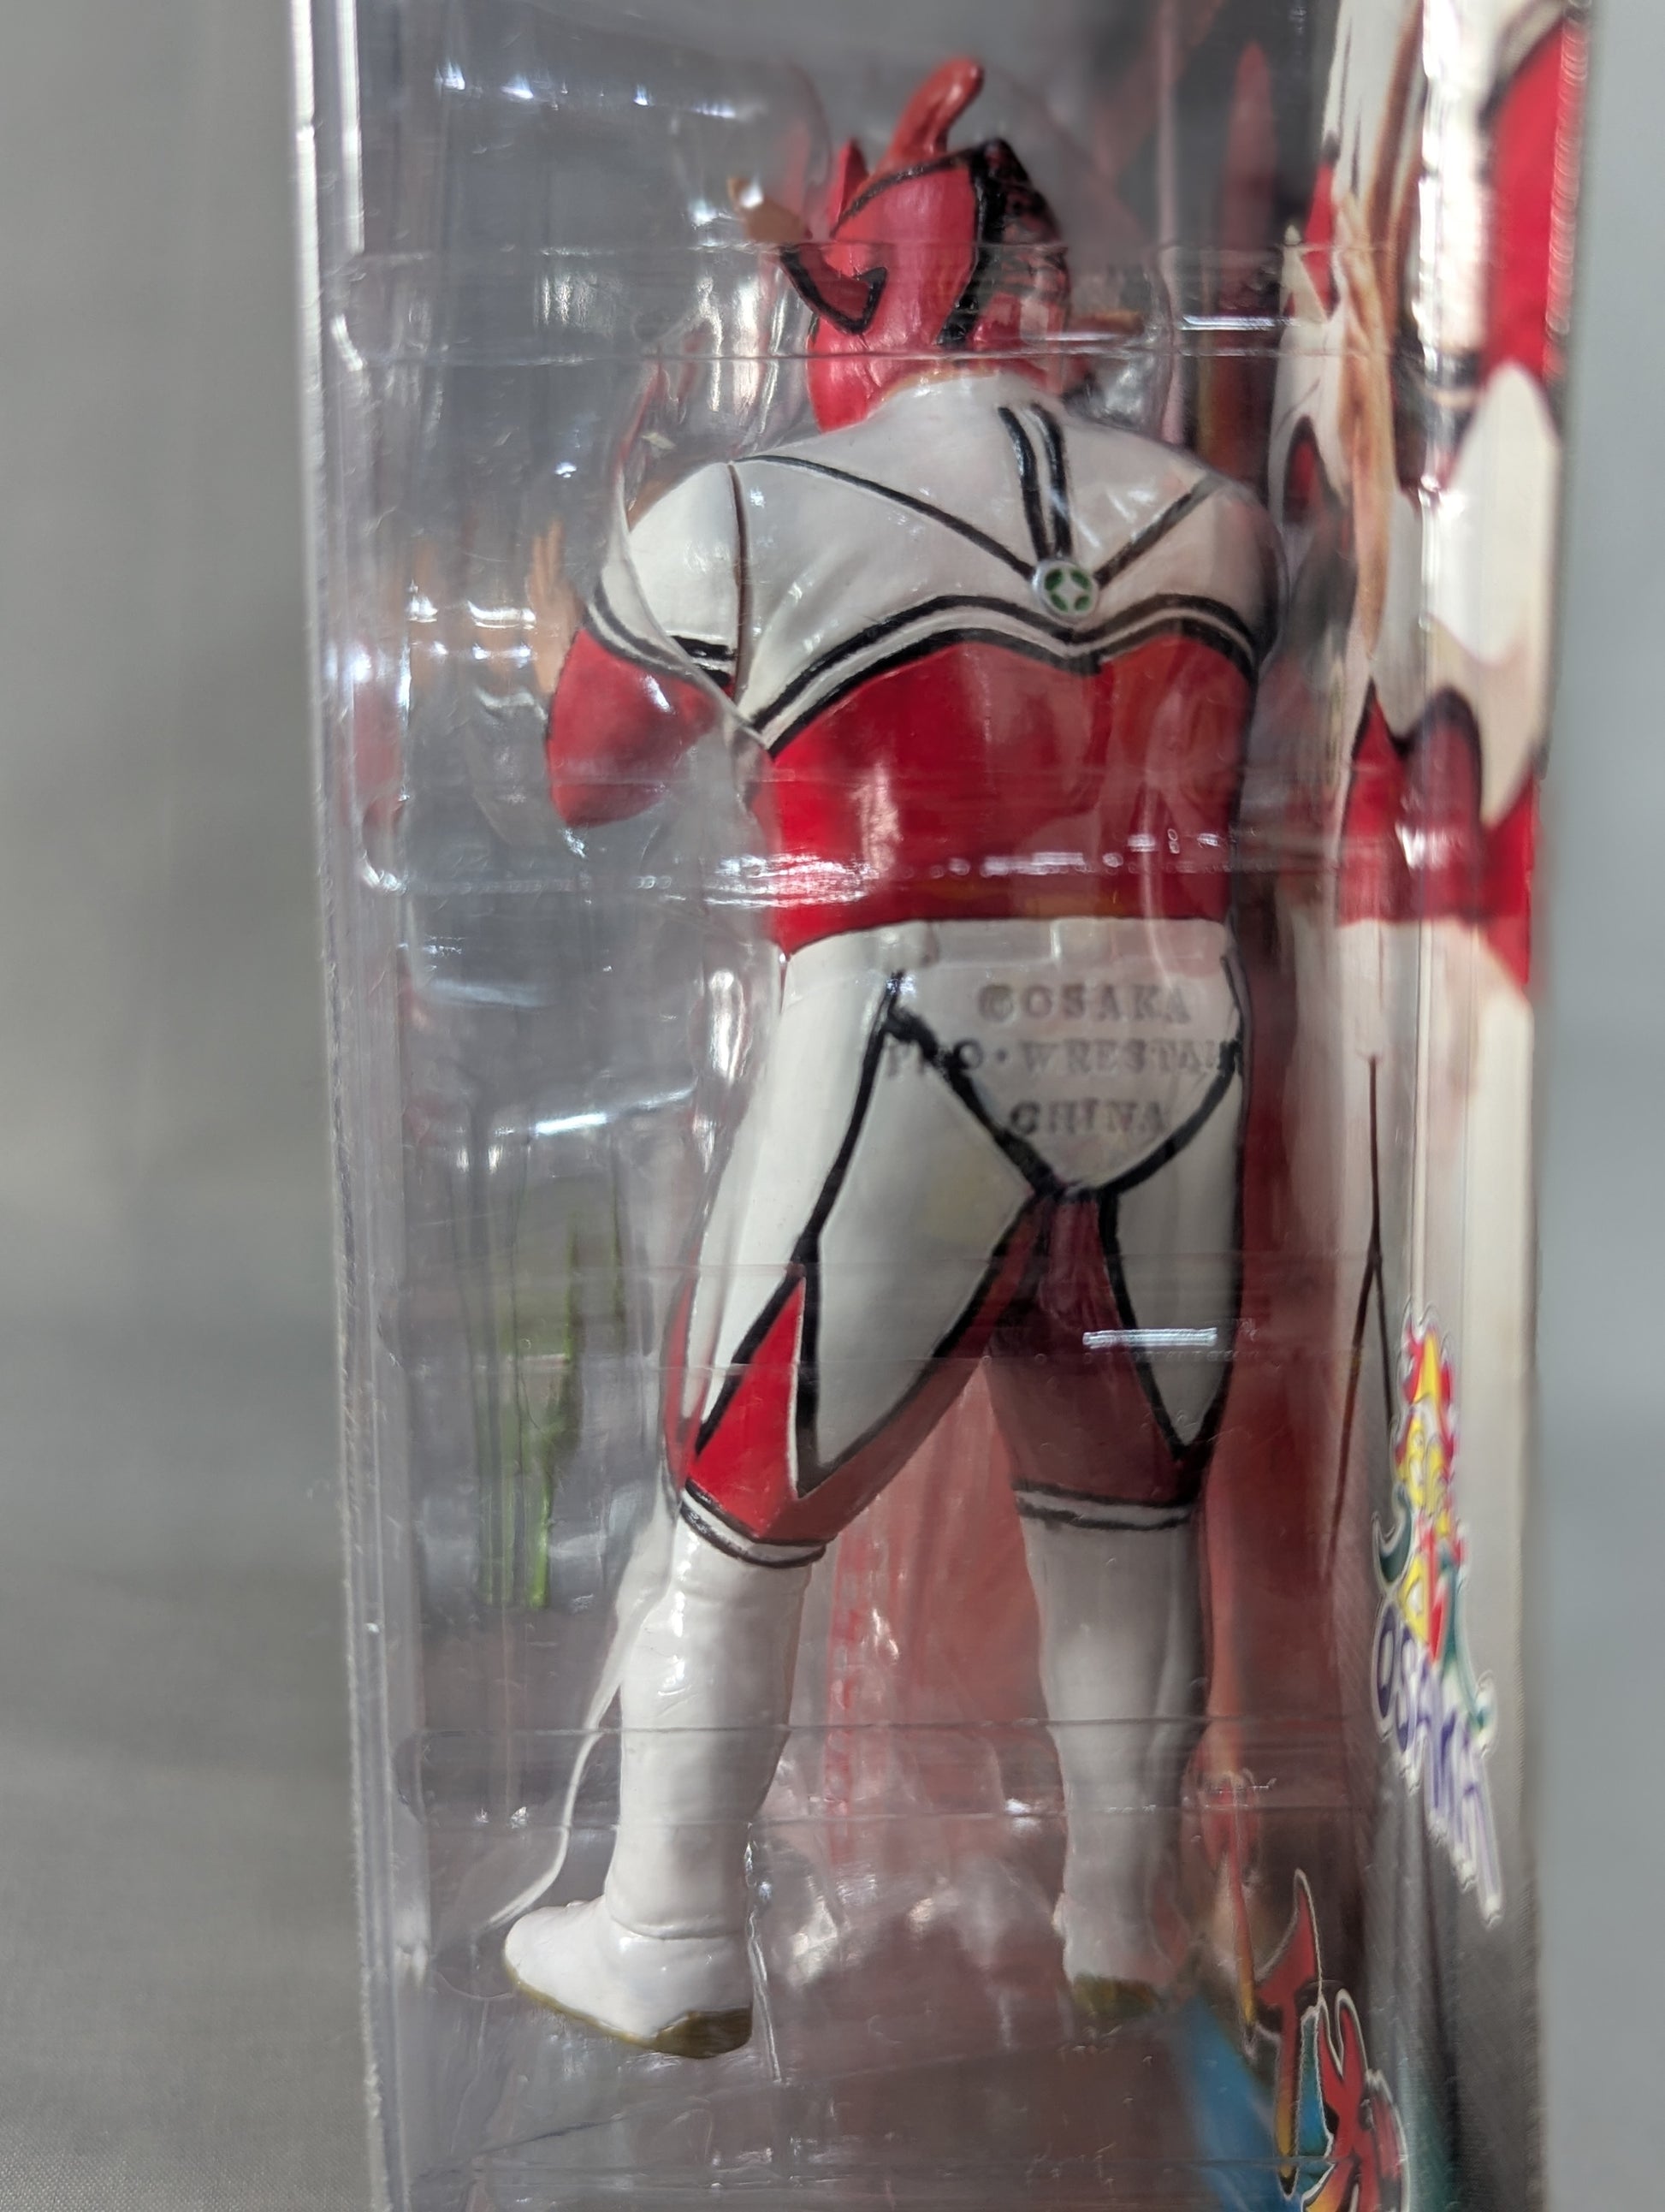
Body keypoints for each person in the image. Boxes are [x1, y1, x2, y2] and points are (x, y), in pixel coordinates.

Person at [505, 56, 1280, 2058]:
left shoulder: (740, 514)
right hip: (1175, 1034)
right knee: (1119, 1511)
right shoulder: (1220, 525)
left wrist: (587, 603)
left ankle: (670, 1926)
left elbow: (587, 777)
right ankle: (1119, 1911)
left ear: (861, 290)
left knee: (733, 1513)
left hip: (905, 1025)